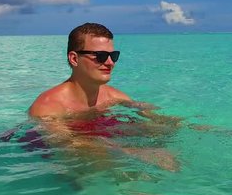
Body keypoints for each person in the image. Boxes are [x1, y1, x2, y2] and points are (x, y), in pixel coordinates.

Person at [28, 22, 181, 171]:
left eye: (113, 56)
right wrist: (133, 152)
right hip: (56, 159)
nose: (110, 63)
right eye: (100, 56)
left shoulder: (113, 95)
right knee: (95, 162)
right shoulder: (48, 107)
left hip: (96, 134)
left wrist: (185, 125)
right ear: (74, 59)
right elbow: (68, 144)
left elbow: (154, 116)